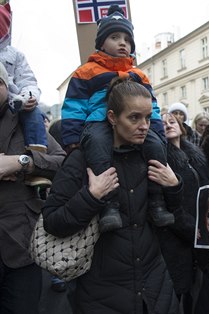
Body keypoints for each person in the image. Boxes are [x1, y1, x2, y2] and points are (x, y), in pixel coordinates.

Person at [42, 77, 180, 313]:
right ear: (113, 118)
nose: (144, 125)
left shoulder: (152, 157)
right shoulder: (81, 160)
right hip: (102, 295)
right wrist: (91, 196)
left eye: (147, 117)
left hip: (156, 291)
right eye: (134, 117)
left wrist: (174, 187)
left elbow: (177, 217)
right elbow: (53, 222)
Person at [61, 4, 173, 233]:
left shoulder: (138, 74)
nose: (123, 43)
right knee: (98, 146)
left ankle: (157, 202)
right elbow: (73, 106)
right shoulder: (86, 72)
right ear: (101, 43)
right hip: (98, 122)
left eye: (127, 39)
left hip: (133, 122)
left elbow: (152, 105)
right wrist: (73, 139)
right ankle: (109, 205)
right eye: (115, 37)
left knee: (155, 147)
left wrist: (159, 133)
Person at [0, 62, 66, 314]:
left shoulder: (28, 120)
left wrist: (22, 162)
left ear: (6, 85)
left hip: (21, 245)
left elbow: (61, 162)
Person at [160, 112, 209, 314]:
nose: (168, 125)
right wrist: (194, 230)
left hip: (203, 231)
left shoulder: (196, 155)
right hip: (181, 236)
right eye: (162, 123)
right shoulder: (162, 158)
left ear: (182, 127)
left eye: (172, 121)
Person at [0, 2, 49, 187]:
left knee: (35, 115)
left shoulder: (15, 55)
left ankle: (36, 163)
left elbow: (28, 80)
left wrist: (29, 97)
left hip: (17, 102)